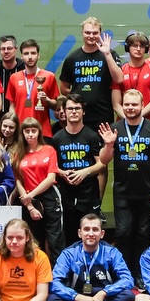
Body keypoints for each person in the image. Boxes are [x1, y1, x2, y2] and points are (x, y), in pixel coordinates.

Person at [110, 88, 150, 275]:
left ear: (143, 105)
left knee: (143, 234)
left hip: (147, 192)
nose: (130, 108)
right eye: (126, 104)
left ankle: (140, 273)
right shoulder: (115, 128)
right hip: (122, 192)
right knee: (122, 233)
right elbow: (104, 160)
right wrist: (109, 143)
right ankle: (122, 274)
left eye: (134, 104)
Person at [48, 213, 137, 301]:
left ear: (102, 234)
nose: (90, 233)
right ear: (79, 233)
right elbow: (54, 283)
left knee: (128, 297)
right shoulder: (68, 254)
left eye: (95, 229)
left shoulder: (112, 252)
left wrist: (104, 292)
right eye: (86, 229)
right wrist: (77, 297)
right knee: (52, 300)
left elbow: (128, 280)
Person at [50, 98, 113, 249]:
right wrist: (62, 173)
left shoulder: (92, 136)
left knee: (90, 233)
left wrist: (85, 172)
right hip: (66, 194)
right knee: (69, 235)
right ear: (64, 112)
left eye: (77, 108)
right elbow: (52, 166)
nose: (74, 112)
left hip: (88, 193)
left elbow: (101, 164)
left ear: (83, 111)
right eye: (70, 109)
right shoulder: (57, 138)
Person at [11, 116, 63, 255]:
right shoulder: (19, 154)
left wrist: (31, 195)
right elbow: (18, 181)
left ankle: (57, 268)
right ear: (22, 133)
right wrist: (29, 205)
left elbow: (51, 178)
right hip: (28, 200)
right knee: (33, 240)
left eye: (33, 131)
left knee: (54, 239)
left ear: (39, 132)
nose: (30, 134)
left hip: (49, 196)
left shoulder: (49, 150)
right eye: (27, 131)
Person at [59, 16, 121, 128]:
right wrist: (77, 99)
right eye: (87, 32)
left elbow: (119, 79)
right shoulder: (72, 58)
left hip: (103, 116)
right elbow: (64, 88)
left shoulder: (110, 54)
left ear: (100, 33)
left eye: (95, 33)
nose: (91, 36)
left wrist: (107, 54)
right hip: (79, 117)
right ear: (82, 33)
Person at [6, 38, 60, 137]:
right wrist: (13, 125)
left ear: (38, 55)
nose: (30, 57)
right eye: (26, 54)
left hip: (43, 131)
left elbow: (55, 105)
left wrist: (46, 99)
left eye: (33, 53)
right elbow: (12, 106)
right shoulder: (14, 78)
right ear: (22, 56)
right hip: (20, 132)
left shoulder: (49, 76)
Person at [117, 31, 150, 122]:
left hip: (147, 122)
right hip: (124, 122)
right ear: (128, 48)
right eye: (135, 46)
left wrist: (137, 117)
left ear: (146, 49)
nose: (138, 49)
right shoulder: (120, 72)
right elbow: (116, 104)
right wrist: (128, 119)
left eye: (142, 46)